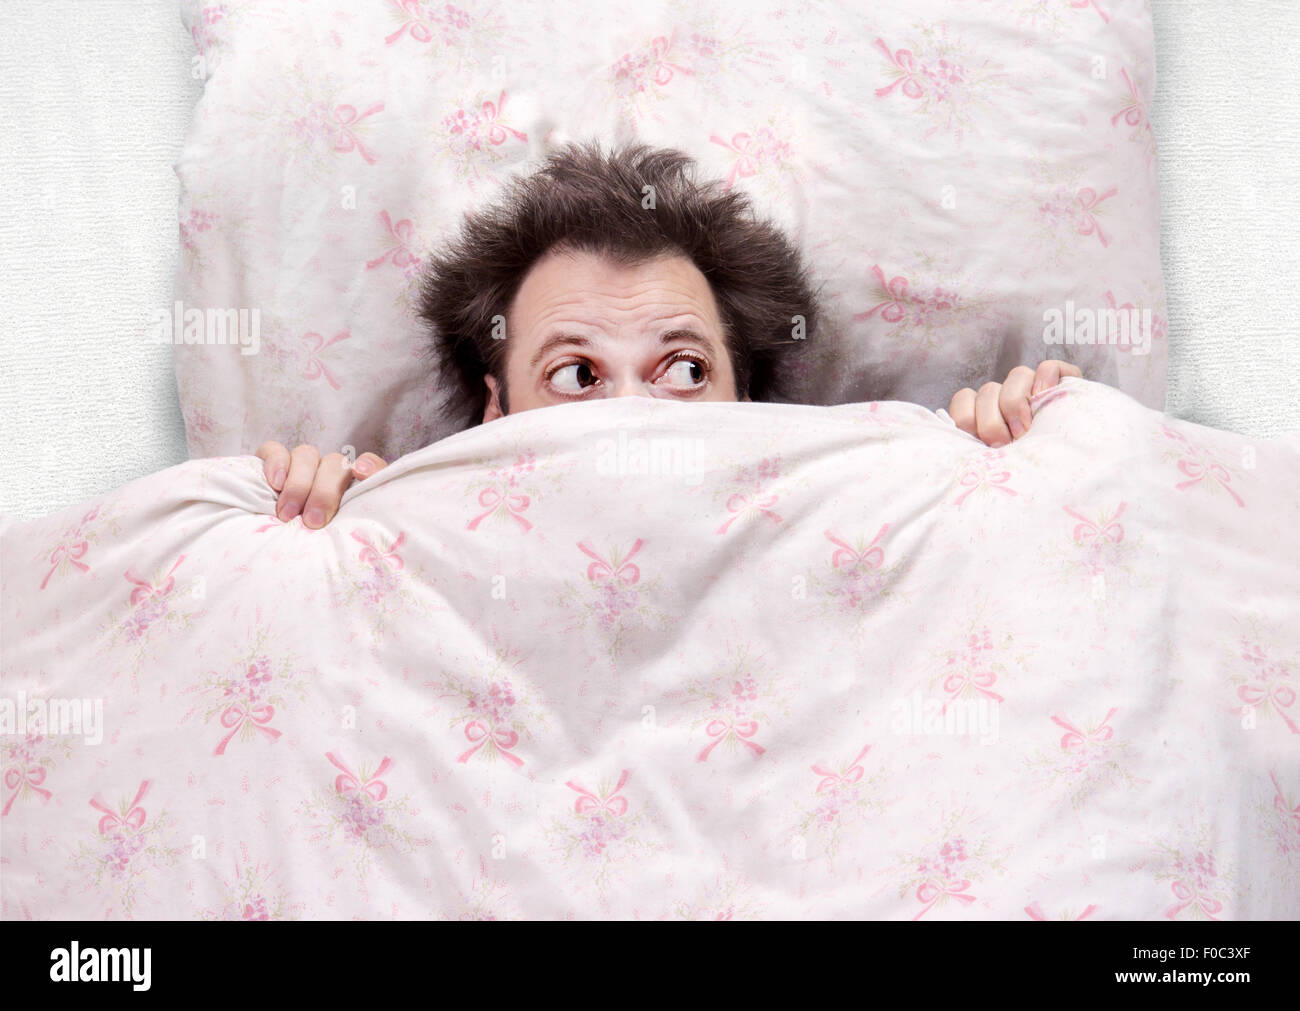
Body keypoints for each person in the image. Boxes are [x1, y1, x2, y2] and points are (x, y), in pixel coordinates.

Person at [256, 142, 1081, 528]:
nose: (631, 414)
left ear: (747, 400)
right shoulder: (402, 535)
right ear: (497, 410)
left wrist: (1003, 464)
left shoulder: (857, 520)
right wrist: (313, 525)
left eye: (683, 368)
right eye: (577, 375)